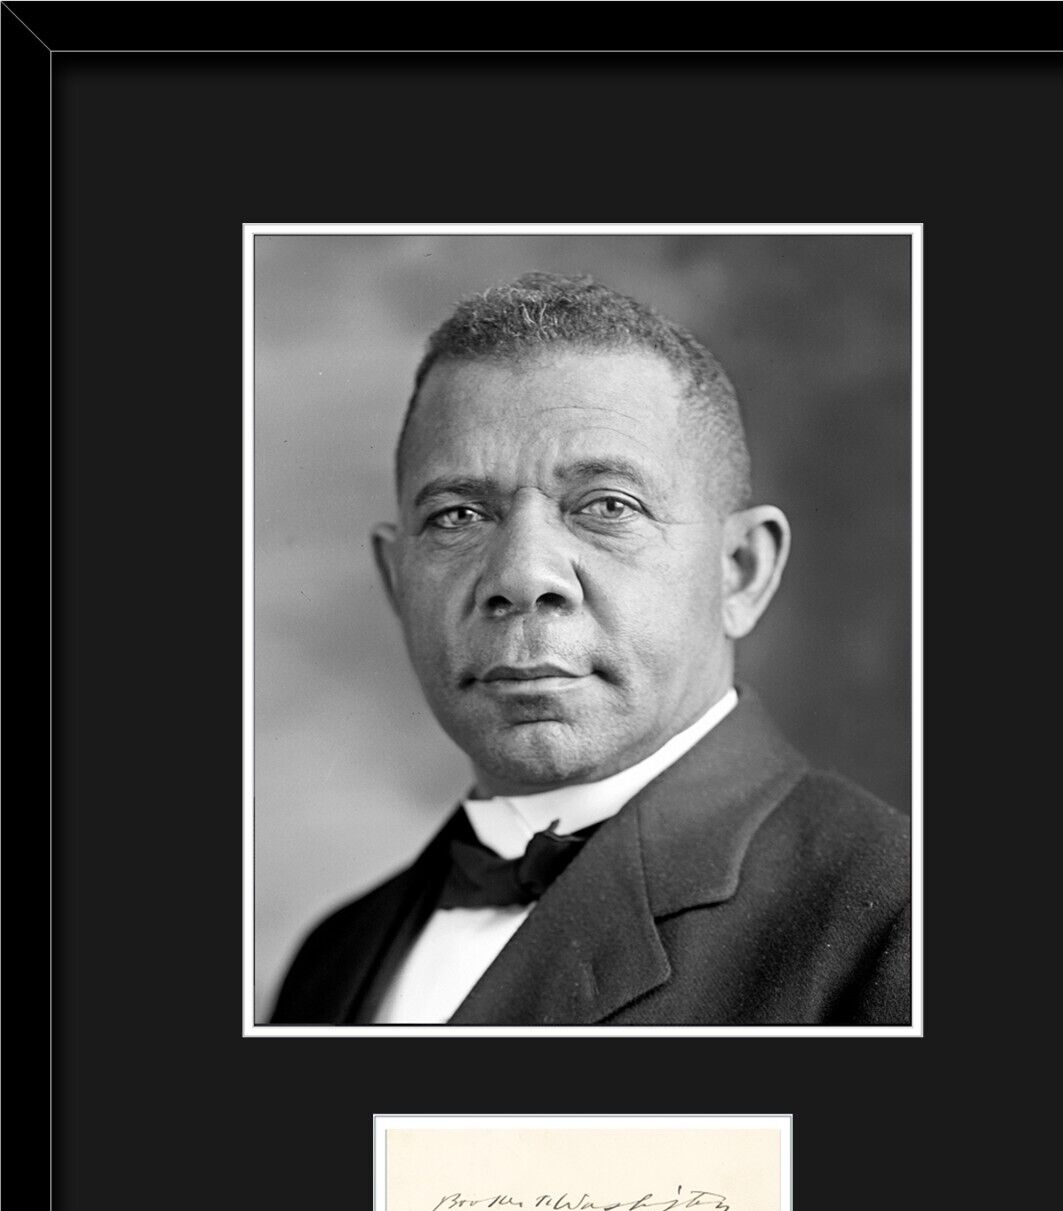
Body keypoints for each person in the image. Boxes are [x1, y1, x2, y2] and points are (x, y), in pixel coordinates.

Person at [269, 273, 911, 1026]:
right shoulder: (334, 956)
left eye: (609, 505)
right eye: (458, 515)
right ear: (395, 579)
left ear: (741, 572)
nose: (521, 575)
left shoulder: (899, 919)